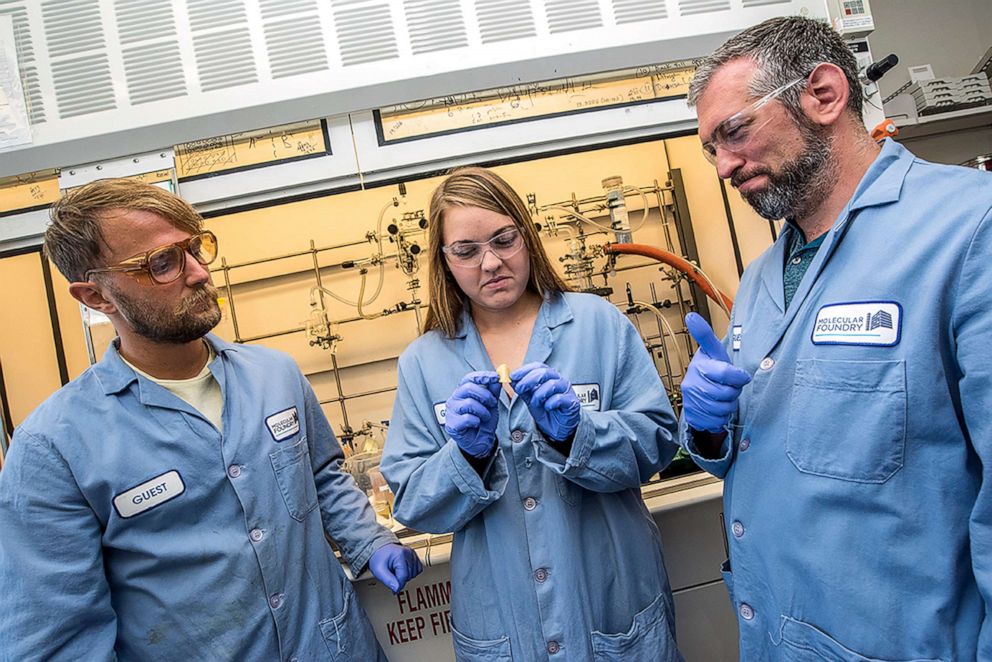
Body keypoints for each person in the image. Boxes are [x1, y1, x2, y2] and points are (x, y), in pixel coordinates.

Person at [0, 179, 422, 660]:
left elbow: (321, 478)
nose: (199, 273)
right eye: (162, 263)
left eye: (195, 248)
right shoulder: (53, 447)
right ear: (97, 297)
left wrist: (369, 540)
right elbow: (59, 640)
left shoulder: (274, 376)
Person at [679, 16, 992, 661]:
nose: (723, 167)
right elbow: (772, 450)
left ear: (823, 94)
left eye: (734, 133)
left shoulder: (967, 231)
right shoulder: (766, 275)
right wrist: (710, 429)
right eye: (711, 148)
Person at [380, 166, 684, 661]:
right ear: (444, 261)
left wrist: (576, 436)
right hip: (502, 617)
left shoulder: (596, 324)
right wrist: (467, 458)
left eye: (504, 239)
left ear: (527, 234)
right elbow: (412, 499)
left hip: (611, 600)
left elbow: (658, 442)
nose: (491, 263)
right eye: (467, 250)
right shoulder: (424, 360)